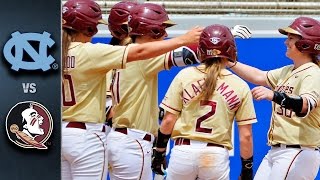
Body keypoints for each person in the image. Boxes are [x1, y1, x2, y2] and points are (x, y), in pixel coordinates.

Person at [61, 0, 203, 179]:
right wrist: (217, 40)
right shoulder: (96, 52)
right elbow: (185, 55)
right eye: (162, 29)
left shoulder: (56, 51)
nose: (165, 33)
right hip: (120, 139)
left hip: (70, 132)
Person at [152, 24, 257, 180]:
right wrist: (247, 168)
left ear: (201, 50)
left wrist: (159, 152)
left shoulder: (185, 75)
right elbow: (246, 136)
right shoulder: (240, 85)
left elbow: (168, 120)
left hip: (184, 152)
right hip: (215, 155)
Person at [227, 16, 320, 180]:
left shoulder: (313, 73)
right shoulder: (288, 70)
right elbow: (258, 76)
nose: (286, 42)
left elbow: (305, 105)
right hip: (277, 151)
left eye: (291, 38)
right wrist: (230, 62)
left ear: (305, 43)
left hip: (298, 151)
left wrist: (273, 95)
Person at [104, 1, 138, 135]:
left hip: (123, 129)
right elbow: (107, 105)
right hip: (115, 129)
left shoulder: (104, 52)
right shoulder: (106, 55)